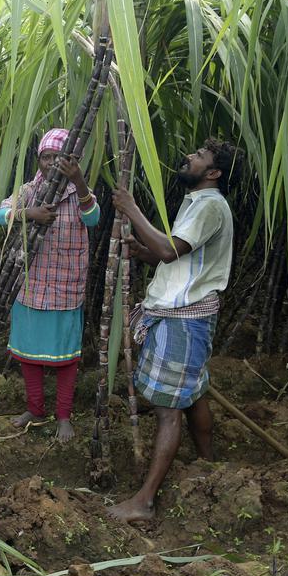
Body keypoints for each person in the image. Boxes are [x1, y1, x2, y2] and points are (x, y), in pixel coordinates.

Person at [106, 138, 242, 524]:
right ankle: (207, 465)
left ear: (213, 173)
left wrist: (131, 209)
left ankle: (145, 501)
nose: (189, 157)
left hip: (184, 320)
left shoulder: (210, 206)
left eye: (199, 156)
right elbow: (177, 258)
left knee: (168, 409)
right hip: (184, 315)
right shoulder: (199, 205)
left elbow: (168, 250)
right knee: (194, 393)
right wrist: (142, 250)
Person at [0, 128, 100, 442]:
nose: (51, 163)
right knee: (28, 353)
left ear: (71, 160)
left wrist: (79, 181)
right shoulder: (29, 190)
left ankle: (63, 416)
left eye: (58, 157)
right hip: (31, 285)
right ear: (38, 159)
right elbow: (1, 215)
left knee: (67, 356)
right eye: (45, 156)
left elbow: (93, 219)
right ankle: (35, 409)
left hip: (66, 287)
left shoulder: (79, 193)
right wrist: (30, 214)